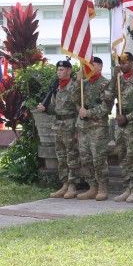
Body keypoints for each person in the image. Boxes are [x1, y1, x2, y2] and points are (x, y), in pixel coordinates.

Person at [36, 60, 81, 199]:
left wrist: (77, 130)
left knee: (72, 157)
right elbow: (54, 109)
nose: (59, 72)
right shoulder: (57, 88)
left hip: (70, 125)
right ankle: (65, 184)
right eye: (58, 70)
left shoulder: (74, 87)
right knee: (61, 158)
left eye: (61, 70)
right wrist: (45, 109)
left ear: (69, 71)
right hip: (58, 126)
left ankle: (73, 186)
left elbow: (80, 109)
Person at [110, 52, 133, 203]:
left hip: (132, 123)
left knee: (132, 157)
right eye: (120, 63)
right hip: (120, 123)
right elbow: (108, 94)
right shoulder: (119, 81)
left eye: (125, 63)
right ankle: (127, 188)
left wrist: (128, 117)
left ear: (132, 63)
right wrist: (114, 76)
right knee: (122, 156)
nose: (122, 65)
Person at [75, 57, 114, 201]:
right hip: (83, 126)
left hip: (98, 127)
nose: (88, 68)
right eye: (87, 66)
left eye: (93, 65)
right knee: (85, 158)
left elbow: (107, 106)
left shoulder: (106, 83)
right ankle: (92, 187)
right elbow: (74, 99)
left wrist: (89, 113)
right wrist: (77, 82)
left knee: (99, 158)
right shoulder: (83, 83)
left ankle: (102, 187)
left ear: (100, 67)